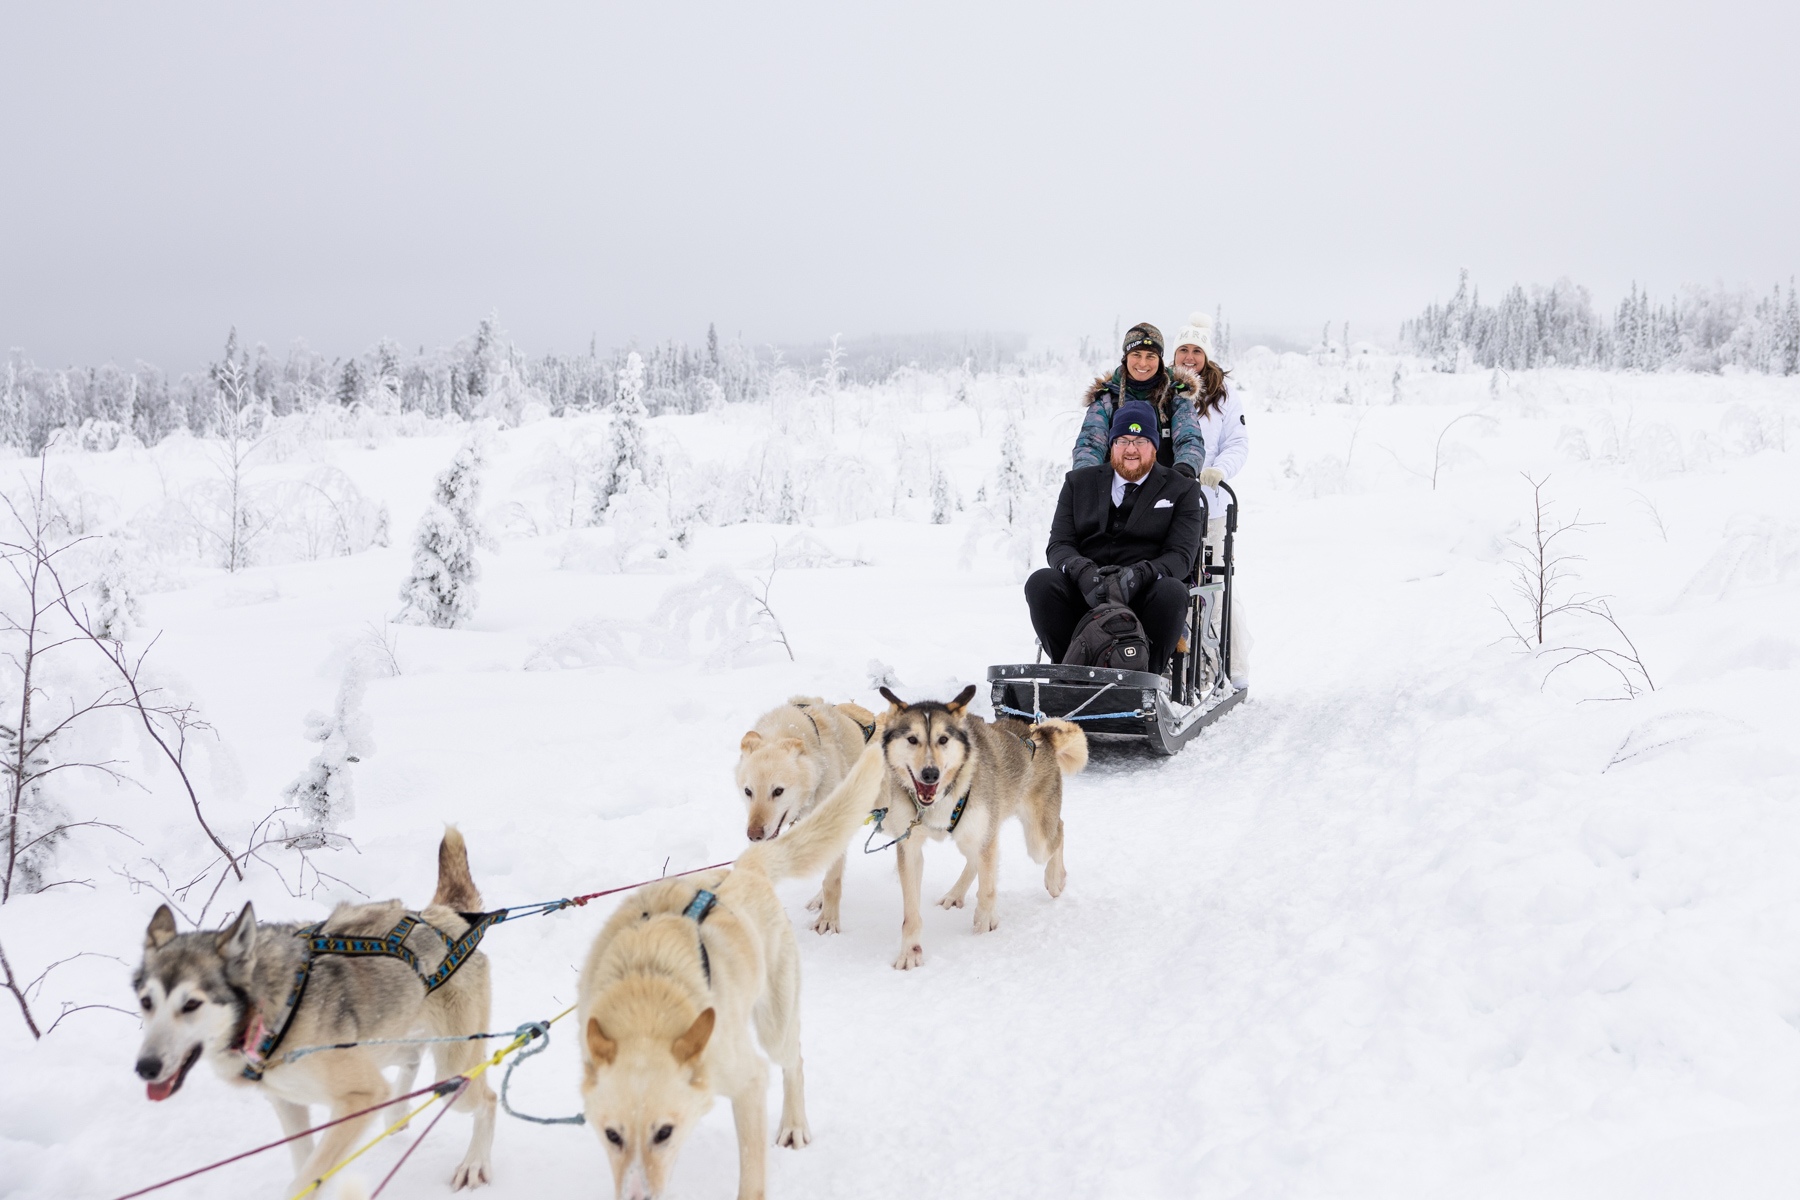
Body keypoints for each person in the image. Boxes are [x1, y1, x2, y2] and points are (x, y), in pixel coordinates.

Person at [1025, 399, 1204, 676]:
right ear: (1111, 444)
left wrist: (1142, 574)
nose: (1131, 449)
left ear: (1154, 446)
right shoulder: (1078, 483)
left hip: (1145, 596)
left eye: (1140, 440)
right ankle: (1068, 673)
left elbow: (1181, 555)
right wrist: (1082, 571)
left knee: (1172, 591)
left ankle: (1147, 679)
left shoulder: (1182, 490)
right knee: (1041, 582)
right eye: (1122, 440)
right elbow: (1059, 544)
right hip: (1087, 593)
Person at [1170, 311, 1249, 687]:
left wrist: (1219, 471)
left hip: (1209, 508)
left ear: (1206, 356)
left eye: (1196, 351)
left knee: (1212, 590)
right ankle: (1174, 666)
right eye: (1183, 349)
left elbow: (1237, 442)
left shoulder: (1224, 396)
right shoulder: (1163, 388)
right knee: (1174, 588)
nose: (1189, 357)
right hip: (1167, 508)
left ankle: (1221, 669)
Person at [1071, 322, 1207, 479]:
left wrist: (1184, 471)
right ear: (1126, 358)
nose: (1143, 363)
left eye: (1151, 356)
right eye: (1136, 355)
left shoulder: (1176, 398)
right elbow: (1090, 444)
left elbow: (1189, 440)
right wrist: (1085, 477)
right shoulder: (1106, 399)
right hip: (1112, 491)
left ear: (1160, 361)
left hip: (1166, 489)